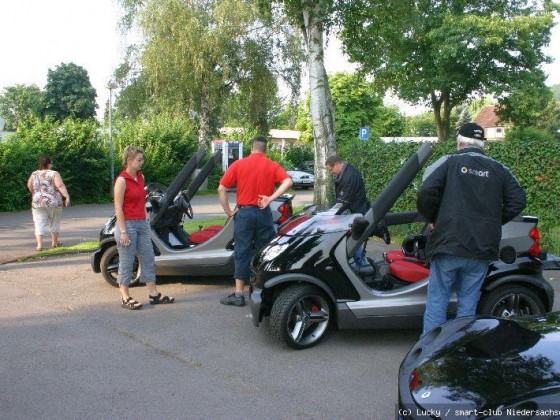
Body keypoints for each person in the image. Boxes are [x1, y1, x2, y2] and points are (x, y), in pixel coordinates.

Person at [417, 123, 526, 336]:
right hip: (481, 248)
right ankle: (461, 351)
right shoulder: (499, 169)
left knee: (437, 303)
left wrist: (433, 219)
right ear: (482, 144)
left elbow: (426, 192)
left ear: (459, 143)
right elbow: (518, 200)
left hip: (448, 244)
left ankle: (430, 354)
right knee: (467, 306)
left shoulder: (449, 162)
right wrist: (493, 221)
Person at [218, 136, 293, 306]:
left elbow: (221, 188)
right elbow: (288, 181)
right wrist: (271, 198)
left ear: (251, 148)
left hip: (244, 213)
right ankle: (263, 291)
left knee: (242, 251)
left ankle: (239, 294)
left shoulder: (238, 164)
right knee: (264, 251)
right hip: (263, 212)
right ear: (265, 150)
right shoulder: (272, 165)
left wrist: (229, 211)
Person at [114, 145, 175, 310]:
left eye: (142, 159)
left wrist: (146, 220)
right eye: (139, 160)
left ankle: (153, 294)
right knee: (127, 261)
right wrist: (124, 231)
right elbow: (118, 207)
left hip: (141, 223)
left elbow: (142, 201)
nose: (142, 163)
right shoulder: (122, 180)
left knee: (148, 258)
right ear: (129, 160)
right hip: (127, 225)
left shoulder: (140, 178)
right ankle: (125, 297)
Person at [325, 155, 370, 267]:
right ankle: (360, 262)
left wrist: (331, 215)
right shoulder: (346, 171)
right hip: (352, 208)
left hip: (356, 210)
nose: (331, 173)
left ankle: (362, 264)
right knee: (350, 236)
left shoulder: (349, 176)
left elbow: (343, 201)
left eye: (331, 170)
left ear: (336, 164)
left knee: (352, 236)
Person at [27, 155, 70, 251]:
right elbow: (60, 185)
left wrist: (35, 193)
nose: (52, 164)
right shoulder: (54, 173)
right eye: (51, 163)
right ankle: (54, 243)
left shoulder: (34, 174)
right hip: (53, 202)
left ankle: (39, 245)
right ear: (48, 164)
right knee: (55, 221)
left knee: (39, 223)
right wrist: (66, 196)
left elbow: (29, 185)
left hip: (37, 203)